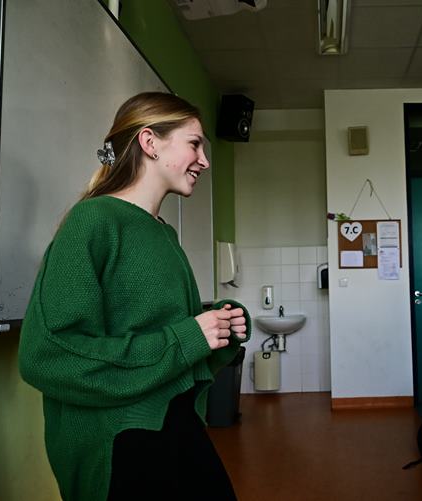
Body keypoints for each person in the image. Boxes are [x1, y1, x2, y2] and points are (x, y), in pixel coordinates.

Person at [18, 92, 249, 501]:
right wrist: (189, 336)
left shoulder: (164, 233)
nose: (204, 161)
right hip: (122, 438)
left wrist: (217, 326)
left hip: (175, 421)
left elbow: (169, 343)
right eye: (194, 144)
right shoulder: (93, 221)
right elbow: (49, 356)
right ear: (150, 142)